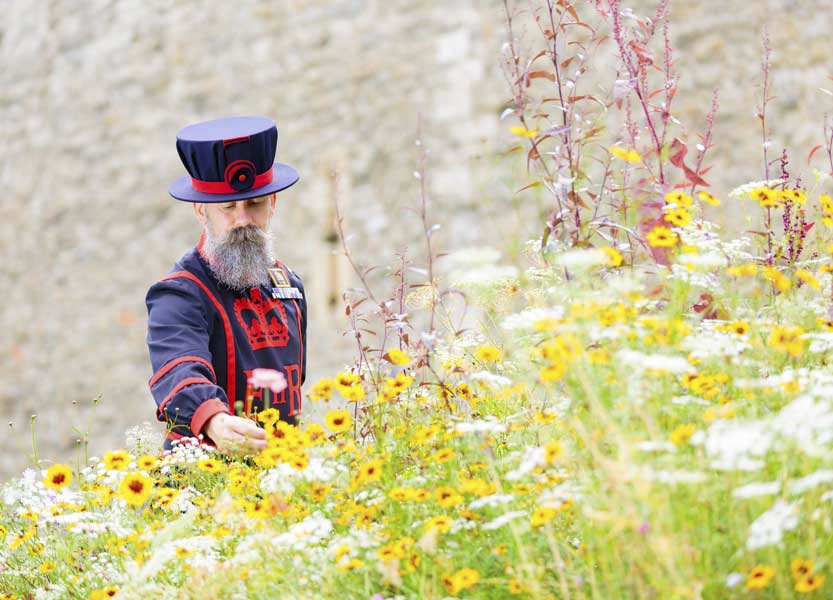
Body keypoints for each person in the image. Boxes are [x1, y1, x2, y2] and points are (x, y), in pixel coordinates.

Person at [145, 116, 307, 455]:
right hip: (203, 479)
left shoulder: (290, 286)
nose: (243, 220)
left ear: (272, 204)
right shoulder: (178, 294)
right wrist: (214, 421)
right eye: (228, 208)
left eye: (255, 204)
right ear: (200, 211)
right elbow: (178, 369)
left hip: (280, 476)